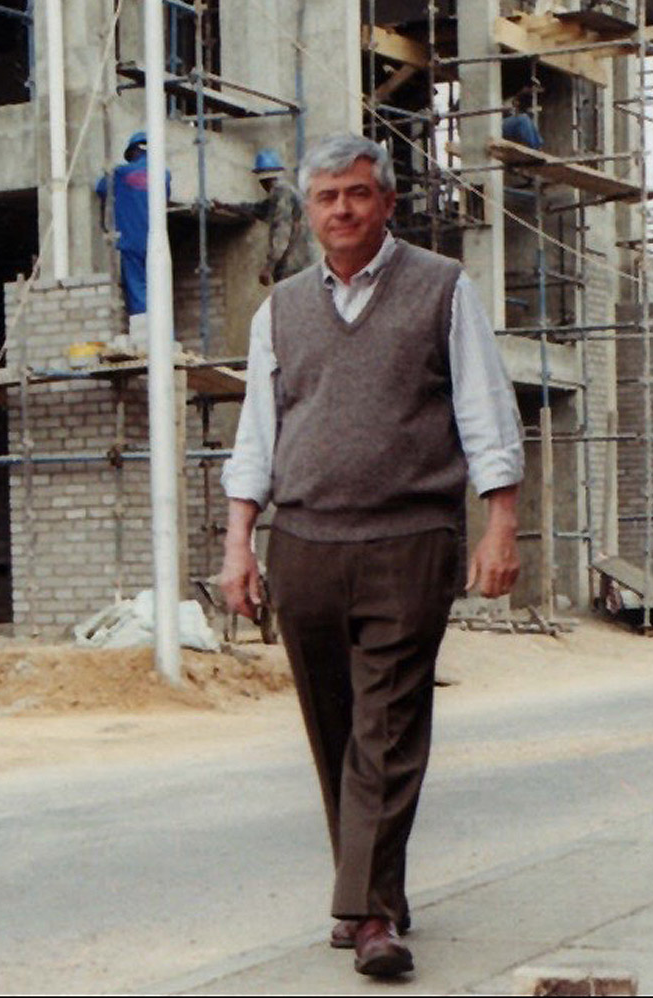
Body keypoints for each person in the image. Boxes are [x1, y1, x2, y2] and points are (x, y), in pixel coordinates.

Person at [216, 133, 523, 980]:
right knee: (335, 732)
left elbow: (486, 412)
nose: (342, 210)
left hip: (409, 540)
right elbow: (255, 436)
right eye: (326, 197)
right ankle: (376, 885)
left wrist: (501, 524)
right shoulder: (278, 309)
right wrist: (240, 543)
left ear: (388, 202)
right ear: (308, 210)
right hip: (305, 542)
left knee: (386, 728)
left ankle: (368, 913)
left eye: (358, 194)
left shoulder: (440, 289)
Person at [95, 131, 168, 337]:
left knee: (138, 290)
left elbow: (100, 188)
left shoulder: (121, 174)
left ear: (133, 151)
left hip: (131, 240)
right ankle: (164, 337)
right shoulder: (164, 173)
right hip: (157, 242)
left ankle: (145, 338)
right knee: (159, 289)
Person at [243, 149, 313, 286]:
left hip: (294, 268)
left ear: (263, 180)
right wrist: (227, 207)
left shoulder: (281, 192)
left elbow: (282, 230)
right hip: (300, 267)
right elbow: (258, 209)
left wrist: (268, 267)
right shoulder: (284, 192)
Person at [501, 86, 547, 150]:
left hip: (509, 124)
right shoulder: (506, 102)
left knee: (527, 119)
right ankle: (532, 146)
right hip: (497, 125)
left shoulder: (519, 108)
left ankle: (538, 145)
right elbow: (505, 110)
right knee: (523, 119)